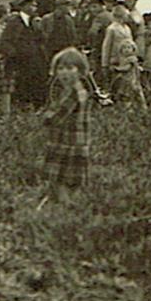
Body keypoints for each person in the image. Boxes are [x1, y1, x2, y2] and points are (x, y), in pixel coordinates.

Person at [41, 47, 94, 195]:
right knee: (71, 180)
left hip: (68, 141)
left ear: (79, 70)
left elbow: (57, 116)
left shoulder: (74, 93)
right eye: (61, 68)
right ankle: (70, 208)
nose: (64, 72)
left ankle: (66, 209)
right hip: (73, 141)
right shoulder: (74, 90)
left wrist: (45, 117)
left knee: (63, 181)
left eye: (70, 68)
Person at [3, 0, 46, 108]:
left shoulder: (34, 21)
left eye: (35, 6)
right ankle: (23, 107)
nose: (34, 8)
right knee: (22, 83)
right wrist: (14, 55)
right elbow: (6, 41)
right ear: (25, 6)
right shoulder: (14, 22)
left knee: (36, 82)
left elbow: (41, 39)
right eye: (32, 5)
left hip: (35, 58)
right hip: (21, 60)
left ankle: (36, 106)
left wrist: (39, 29)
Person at [103, 7, 146, 109]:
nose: (128, 17)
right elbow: (106, 46)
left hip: (128, 60)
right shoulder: (112, 29)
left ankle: (136, 106)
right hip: (117, 60)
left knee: (132, 84)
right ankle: (120, 106)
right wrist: (105, 64)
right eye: (126, 15)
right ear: (120, 16)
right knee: (119, 85)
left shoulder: (127, 28)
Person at [38, 0, 79, 64]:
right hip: (50, 49)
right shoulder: (47, 19)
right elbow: (41, 34)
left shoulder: (69, 20)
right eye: (67, 6)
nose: (68, 8)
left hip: (64, 48)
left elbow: (73, 35)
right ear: (60, 6)